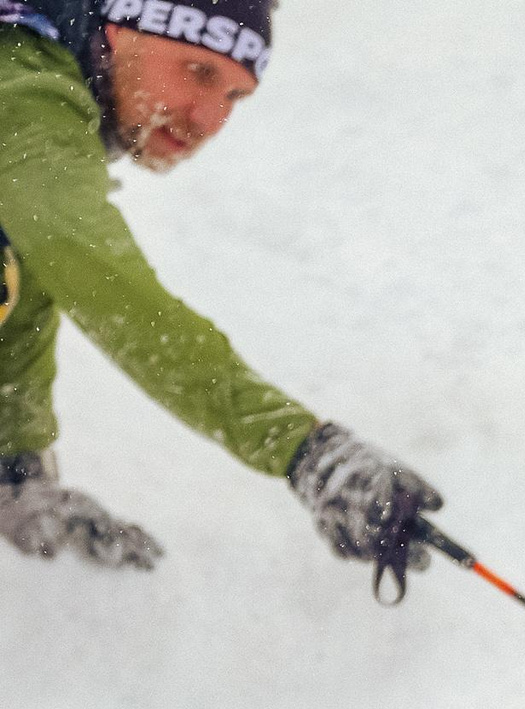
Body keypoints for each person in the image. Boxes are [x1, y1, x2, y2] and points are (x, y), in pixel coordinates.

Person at [0, 0, 439, 594]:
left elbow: (35, 274)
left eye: (234, 97)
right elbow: (107, 288)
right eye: (197, 72)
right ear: (119, 31)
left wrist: (16, 476)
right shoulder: (21, 91)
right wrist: (303, 450)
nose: (206, 118)